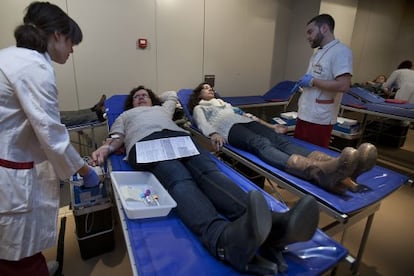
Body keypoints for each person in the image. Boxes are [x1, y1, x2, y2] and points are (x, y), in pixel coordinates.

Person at [91, 85, 320, 274]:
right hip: (146, 144)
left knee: (210, 174)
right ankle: (222, 240)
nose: (140, 98)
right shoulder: (125, 116)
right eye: (136, 97)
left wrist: (156, 98)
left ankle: (273, 226)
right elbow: (116, 137)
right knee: (180, 180)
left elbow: (172, 94)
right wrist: (105, 149)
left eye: (144, 95)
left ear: (152, 99)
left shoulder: (163, 109)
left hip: (180, 139)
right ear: (131, 103)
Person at [0, 2, 100, 275]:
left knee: (12, 248)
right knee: (14, 253)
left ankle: (36, 264)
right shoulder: (34, 68)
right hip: (9, 172)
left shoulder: (9, 57)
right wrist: (85, 169)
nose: (72, 50)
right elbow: (52, 135)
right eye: (71, 42)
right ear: (57, 34)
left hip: (10, 159)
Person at [189, 82, 377, 194]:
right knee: (261, 144)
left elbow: (249, 116)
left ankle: (340, 166)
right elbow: (201, 124)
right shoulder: (200, 108)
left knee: (281, 141)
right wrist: (213, 133)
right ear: (198, 95)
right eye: (205, 88)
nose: (210, 89)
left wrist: (271, 126)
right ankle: (318, 171)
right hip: (229, 129)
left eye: (211, 87)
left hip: (243, 122)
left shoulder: (225, 104)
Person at [294, 14, 353, 148]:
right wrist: (304, 84)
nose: (308, 37)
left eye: (310, 32)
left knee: (314, 157)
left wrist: (313, 82)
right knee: (298, 152)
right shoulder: (318, 53)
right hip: (305, 114)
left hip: (320, 119)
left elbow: (344, 85)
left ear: (324, 28)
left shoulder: (341, 51)